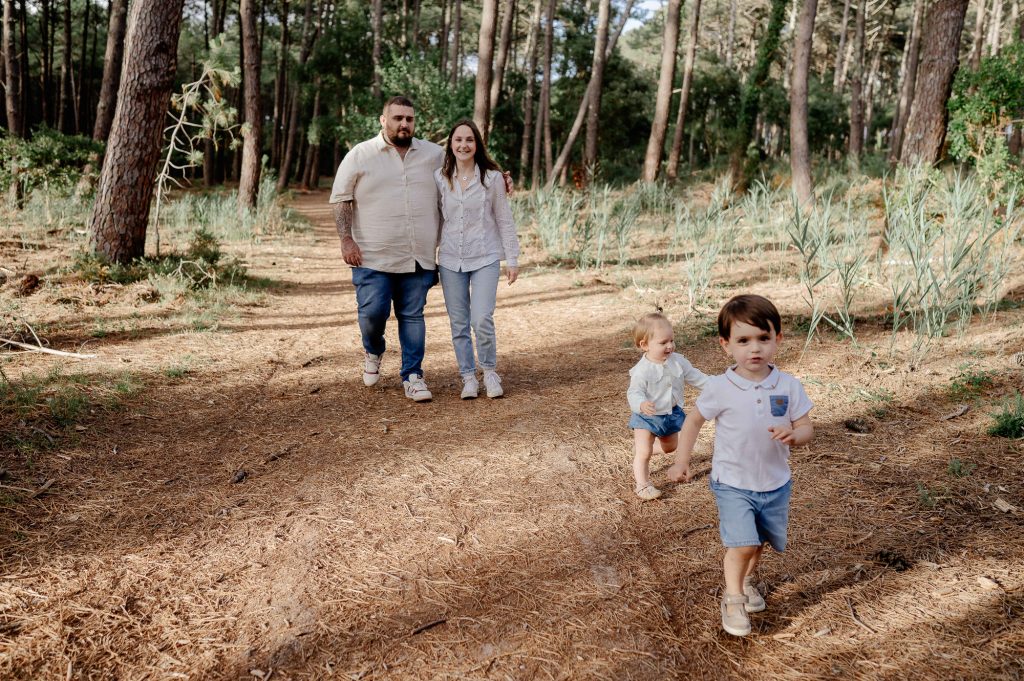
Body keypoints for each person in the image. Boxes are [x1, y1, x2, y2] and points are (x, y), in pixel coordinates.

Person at [667, 294, 814, 637]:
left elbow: (807, 426)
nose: (755, 349)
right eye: (743, 340)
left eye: (763, 338)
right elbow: (693, 421)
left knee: (758, 542)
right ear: (726, 345)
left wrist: (795, 433)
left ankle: (747, 582)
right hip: (733, 481)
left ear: (778, 338)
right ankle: (732, 597)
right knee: (742, 543)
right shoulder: (721, 387)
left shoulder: (788, 386)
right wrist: (681, 460)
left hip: (775, 482)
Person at [329, 96, 444, 402]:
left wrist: (500, 178)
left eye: (409, 118)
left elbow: (468, 168)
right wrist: (345, 239)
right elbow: (341, 199)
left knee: (412, 315)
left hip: (418, 255)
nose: (404, 124)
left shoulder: (434, 155)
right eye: (397, 118)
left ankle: (413, 376)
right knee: (372, 314)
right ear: (383, 120)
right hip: (371, 255)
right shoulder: (360, 155)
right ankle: (374, 350)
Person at [434, 119, 521, 400]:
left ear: (477, 144)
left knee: (481, 317)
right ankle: (468, 377)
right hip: (450, 259)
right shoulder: (440, 177)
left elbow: (504, 219)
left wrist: (513, 258)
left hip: (485, 257)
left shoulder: (492, 179)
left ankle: (490, 371)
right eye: (458, 140)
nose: (463, 145)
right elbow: (434, 219)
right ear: (450, 144)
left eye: (469, 140)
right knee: (458, 322)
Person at [627, 312, 709, 500]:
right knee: (644, 452)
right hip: (646, 415)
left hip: (671, 414)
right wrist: (641, 404)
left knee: (670, 446)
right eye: (663, 342)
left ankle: (643, 448)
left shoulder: (678, 361)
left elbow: (696, 377)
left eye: (671, 340)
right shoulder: (642, 370)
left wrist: (717, 386)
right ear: (644, 345)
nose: (670, 346)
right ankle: (643, 485)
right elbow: (634, 392)